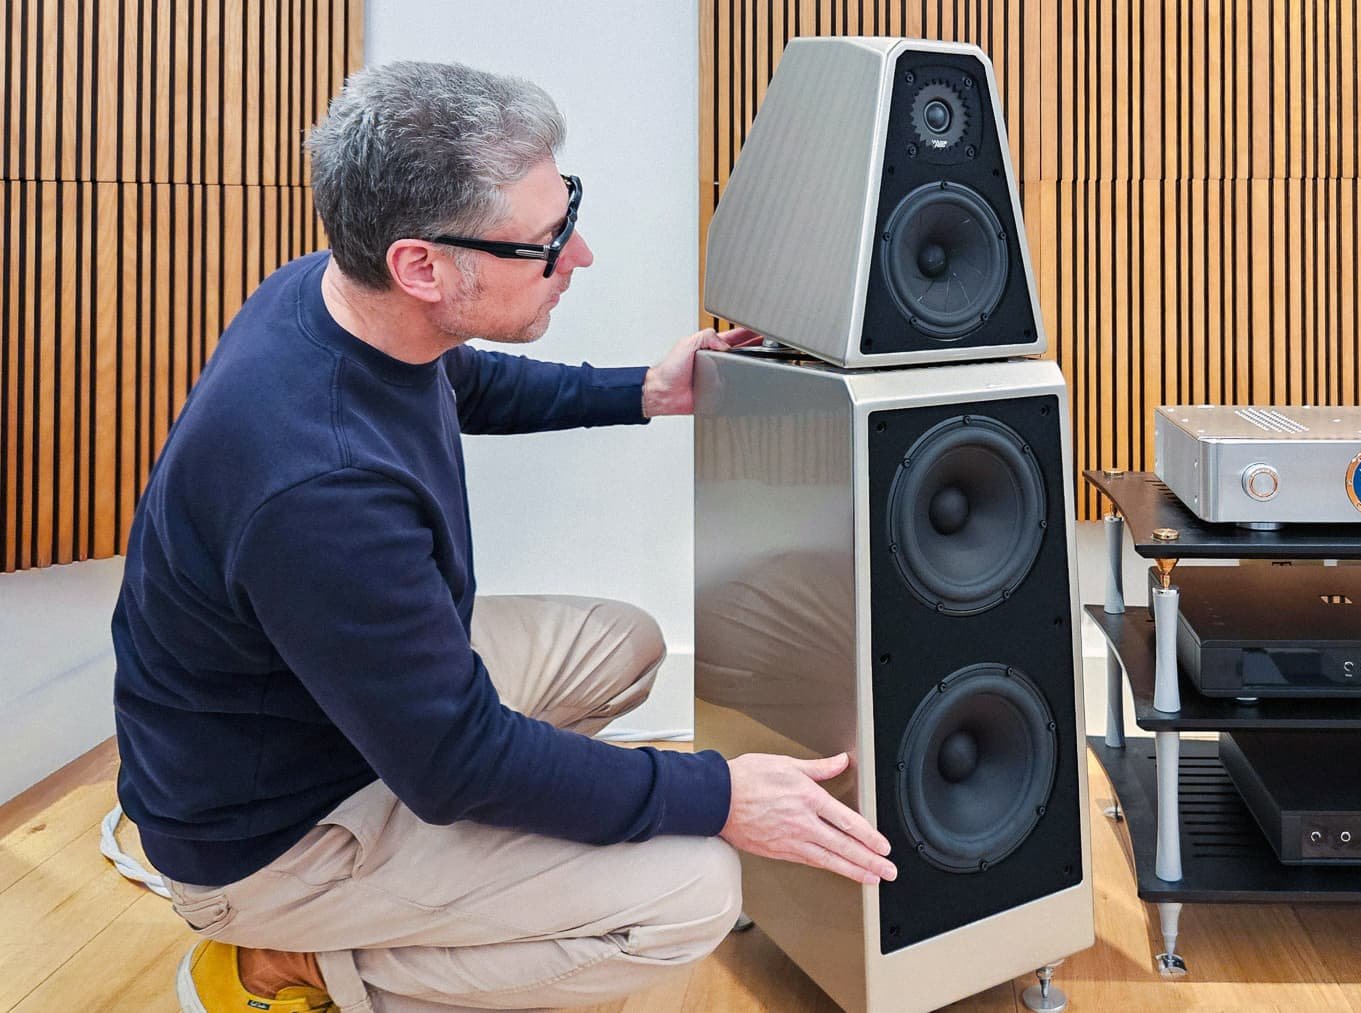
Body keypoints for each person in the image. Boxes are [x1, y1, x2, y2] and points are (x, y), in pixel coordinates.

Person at [112, 60, 897, 1013]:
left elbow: (462, 381)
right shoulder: (321, 487)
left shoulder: (332, 297)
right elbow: (457, 760)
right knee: (694, 889)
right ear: (422, 266)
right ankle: (291, 962)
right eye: (547, 242)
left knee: (625, 644)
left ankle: (459, 868)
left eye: (569, 212)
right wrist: (720, 796)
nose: (581, 255)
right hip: (274, 835)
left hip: (349, 724)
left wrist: (644, 392)